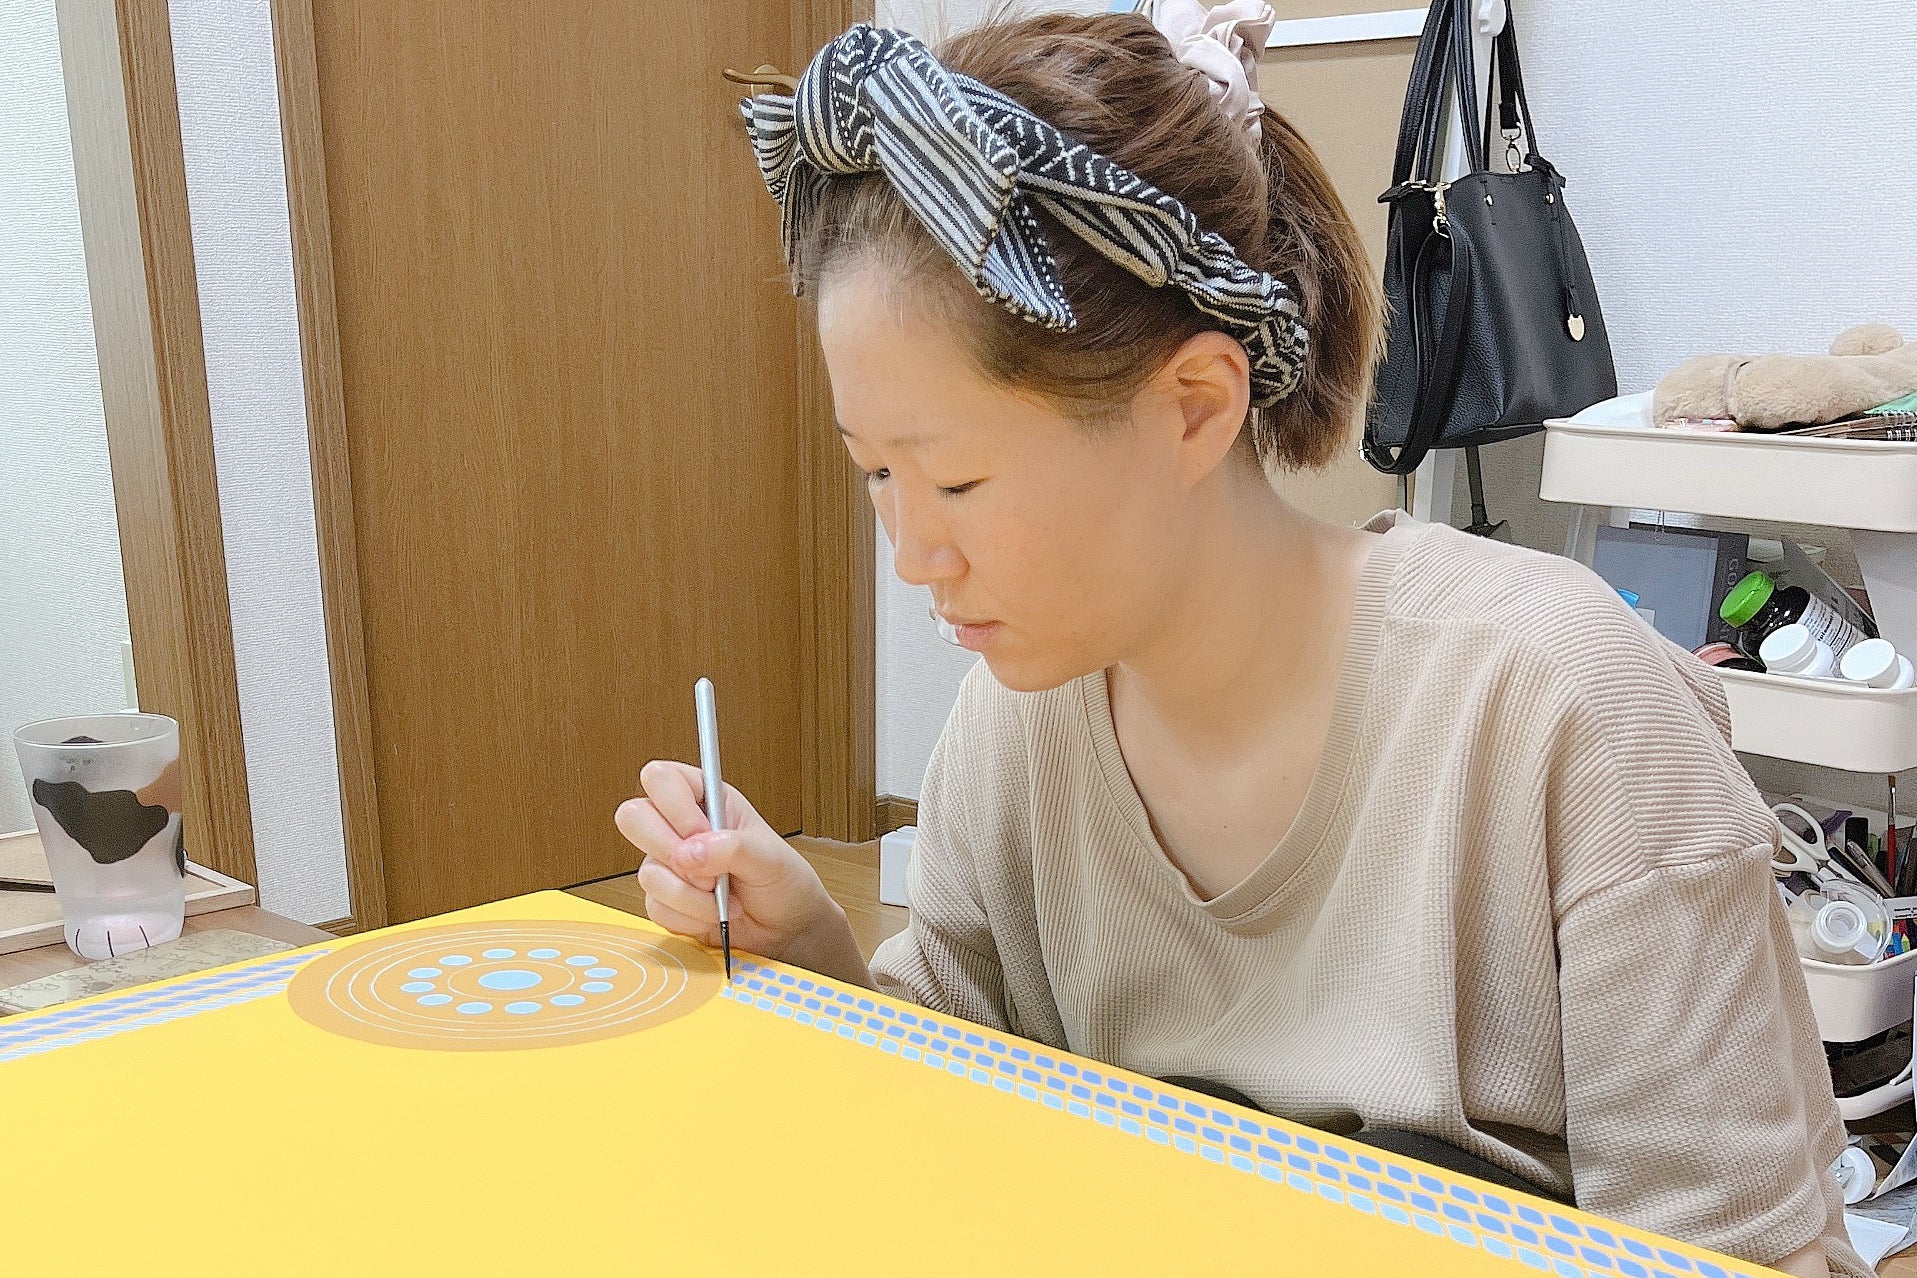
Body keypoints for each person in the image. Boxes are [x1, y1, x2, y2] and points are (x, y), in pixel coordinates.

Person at [615, 9, 1862, 1275]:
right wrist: (811, 952)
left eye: (957, 482)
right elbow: (961, 1102)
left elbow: (1729, 1250)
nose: (912, 554)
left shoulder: (1561, 708)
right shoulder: (1020, 716)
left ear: (1195, 406)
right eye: (876, 474)